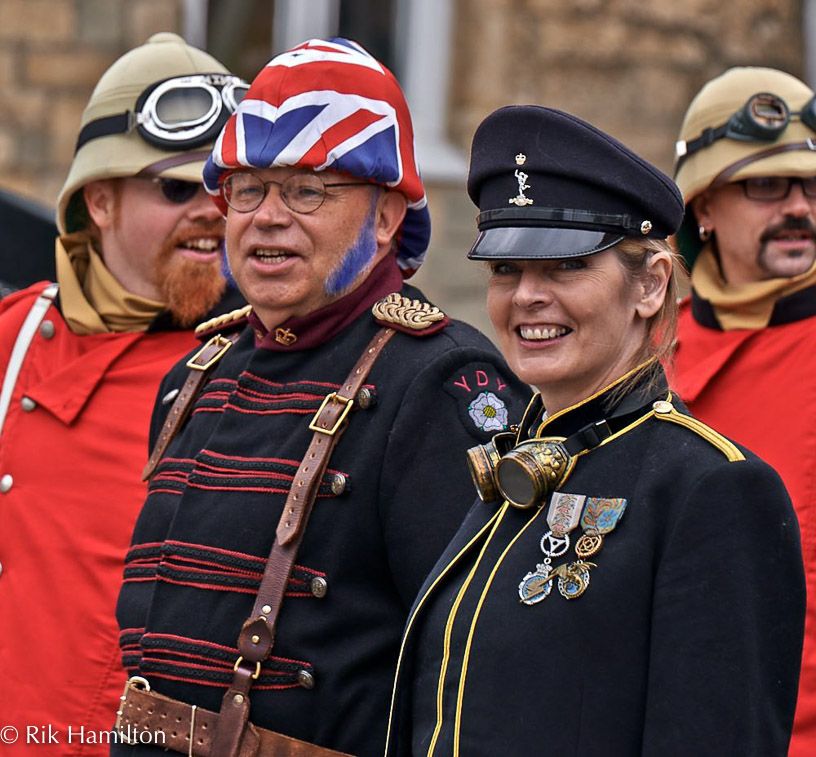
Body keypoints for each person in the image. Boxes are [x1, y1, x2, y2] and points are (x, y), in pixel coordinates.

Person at [111, 38, 530, 757]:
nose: (267, 217)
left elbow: (481, 672)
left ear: (387, 217)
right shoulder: (199, 370)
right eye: (248, 190)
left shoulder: (436, 382)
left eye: (307, 190)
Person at [384, 105, 806, 757]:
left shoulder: (711, 490)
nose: (526, 295)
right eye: (506, 269)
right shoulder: (517, 469)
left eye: (566, 266)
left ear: (650, 284)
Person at [0, 33, 247, 755]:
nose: (212, 210)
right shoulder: (14, 336)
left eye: (227, 188)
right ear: (99, 201)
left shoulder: (259, 368)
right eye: (177, 187)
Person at [669, 67, 816, 756]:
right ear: (703, 205)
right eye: (766, 186)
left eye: (812, 187)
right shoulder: (644, 355)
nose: (799, 207)